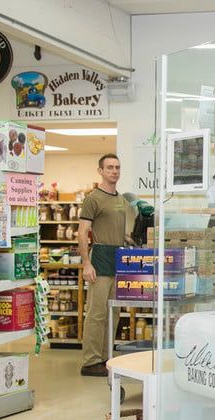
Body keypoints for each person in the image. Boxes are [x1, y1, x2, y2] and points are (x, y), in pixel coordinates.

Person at [78, 154, 133, 376]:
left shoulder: (121, 199)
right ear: (100, 171)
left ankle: (105, 358)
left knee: (114, 312)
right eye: (109, 167)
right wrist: (86, 263)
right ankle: (90, 362)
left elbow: (120, 230)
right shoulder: (93, 198)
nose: (114, 171)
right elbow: (82, 232)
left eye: (117, 167)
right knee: (97, 313)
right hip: (100, 258)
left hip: (118, 257)